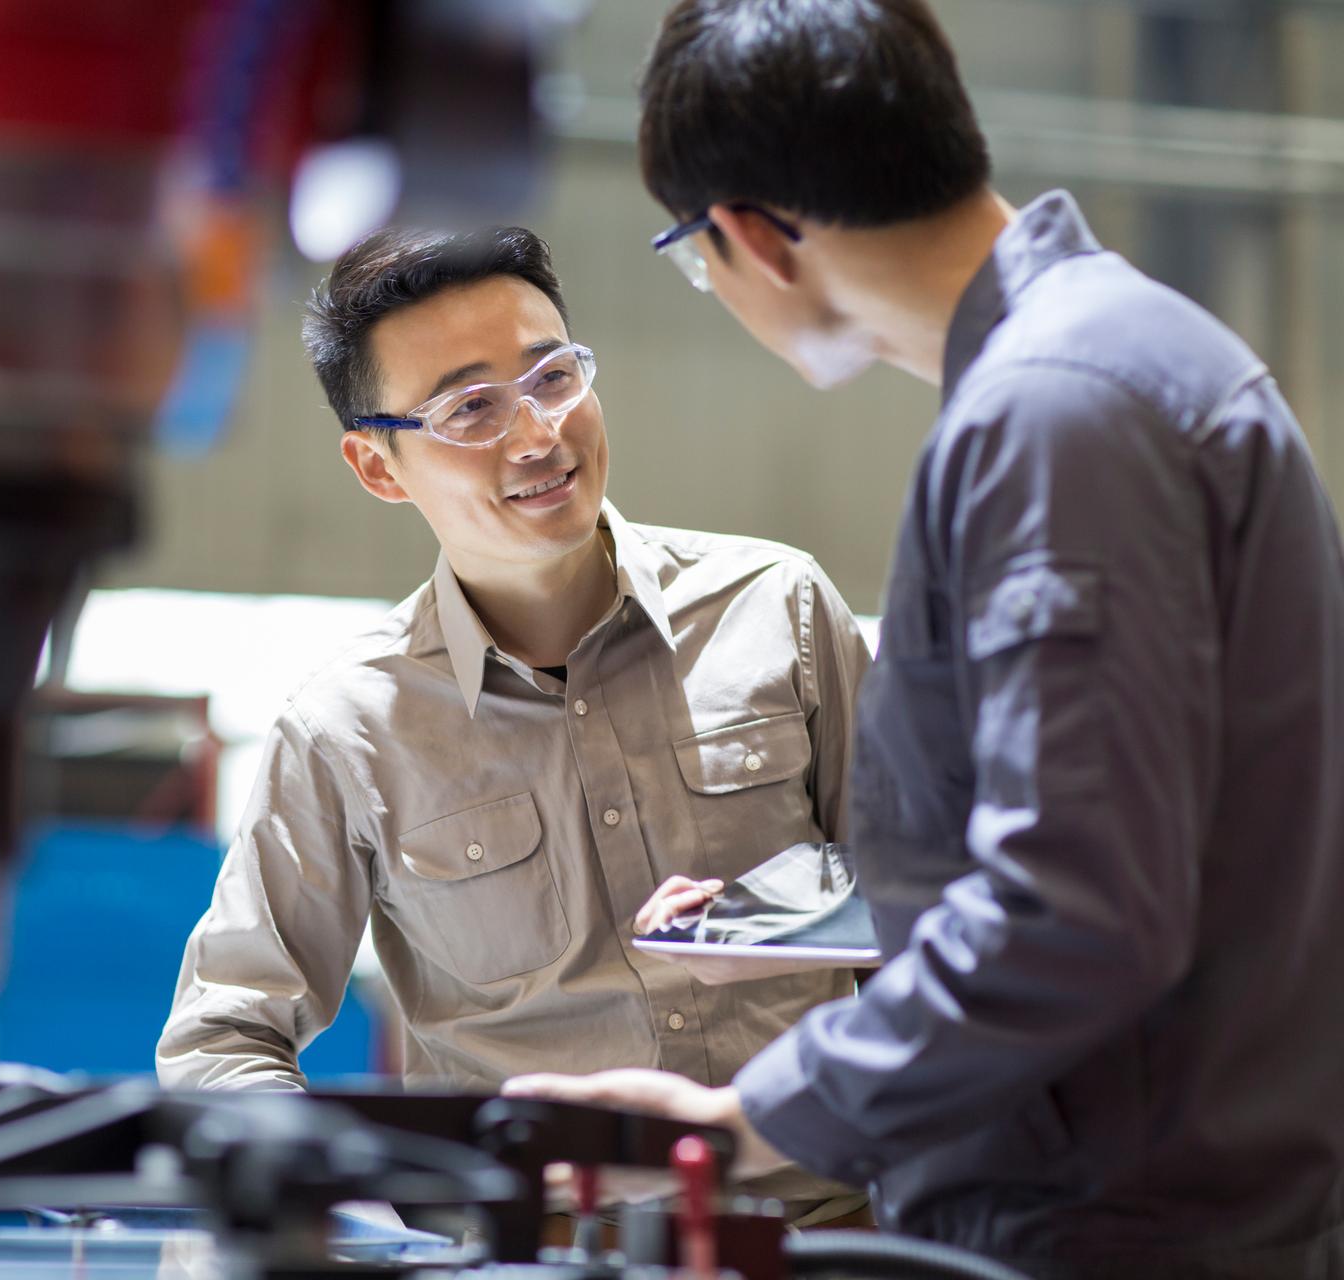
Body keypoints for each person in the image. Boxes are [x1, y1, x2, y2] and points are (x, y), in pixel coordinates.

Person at [505, 3, 1344, 1277]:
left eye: (693, 256)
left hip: (1120, 1225)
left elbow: (1076, 909)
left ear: (747, 236)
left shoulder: (1058, 415)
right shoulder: (1121, 365)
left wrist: (753, 1119)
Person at [158, 225, 873, 1217]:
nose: (538, 435)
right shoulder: (350, 729)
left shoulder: (776, 609)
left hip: (828, 1234)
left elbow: (933, 904)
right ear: (378, 465)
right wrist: (347, 1206)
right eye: (471, 409)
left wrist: (786, 917)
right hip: (528, 1250)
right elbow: (222, 1036)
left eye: (553, 377)